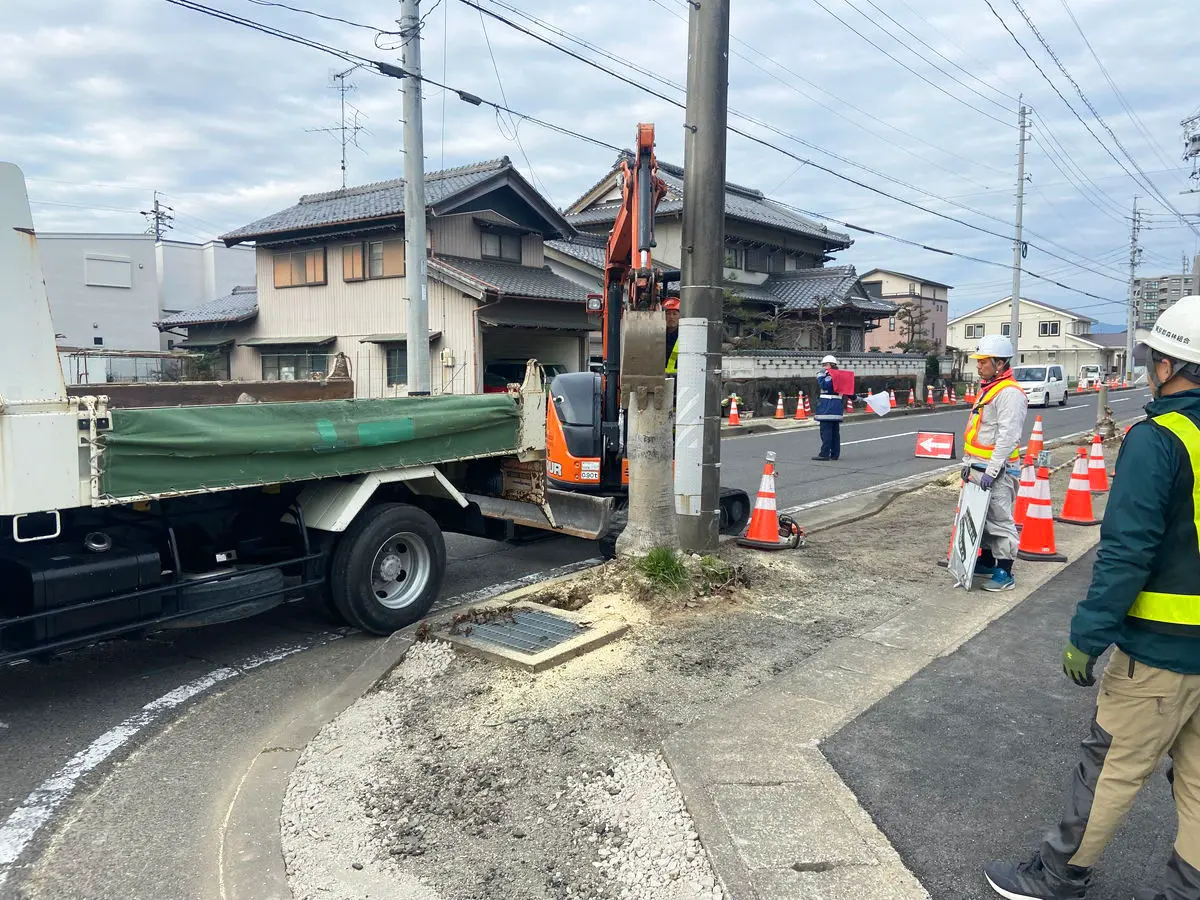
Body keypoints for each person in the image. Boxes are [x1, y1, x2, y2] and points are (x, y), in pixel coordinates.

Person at [983, 296, 1200, 900]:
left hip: (1160, 649)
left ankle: (1057, 876)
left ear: (1168, 365)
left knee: (1111, 768)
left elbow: (1128, 550)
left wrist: (1088, 635)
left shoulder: (1160, 439)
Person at [962, 335, 1028, 592]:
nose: (978, 366)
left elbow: (1007, 437)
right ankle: (988, 561)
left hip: (996, 469)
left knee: (1000, 519)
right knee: (983, 517)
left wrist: (991, 470)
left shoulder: (1009, 394)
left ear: (999, 363)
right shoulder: (990, 388)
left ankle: (1005, 571)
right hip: (978, 465)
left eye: (983, 361)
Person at [813, 354, 843, 461]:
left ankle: (824, 454)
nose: (824, 367)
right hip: (837, 407)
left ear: (832, 365)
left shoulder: (829, 376)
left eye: (826, 364)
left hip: (827, 407)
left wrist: (820, 376)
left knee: (826, 432)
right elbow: (849, 390)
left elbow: (825, 386)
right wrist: (855, 398)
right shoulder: (841, 375)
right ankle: (835, 454)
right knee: (835, 433)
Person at [663, 297, 680, 374]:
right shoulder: (658, 333)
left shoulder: (685, 335)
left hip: (679, 377)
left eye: (674, 314)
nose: (671, 317)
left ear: (680, 316)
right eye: (668, 313)